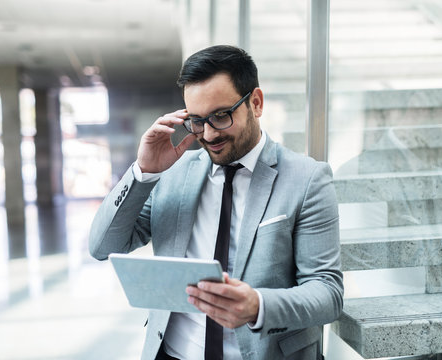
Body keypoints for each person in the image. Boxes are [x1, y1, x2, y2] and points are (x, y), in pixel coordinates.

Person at [89, 45, 343, 360]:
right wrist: (143, 172)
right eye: (196, 121)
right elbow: (102, 246)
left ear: (256, 103)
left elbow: (328, 292)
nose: (208, 134)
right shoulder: (173, 172)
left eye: (221, 116)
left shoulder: (307, 179)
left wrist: (258, 307)